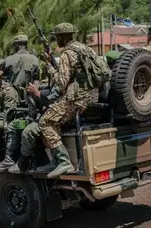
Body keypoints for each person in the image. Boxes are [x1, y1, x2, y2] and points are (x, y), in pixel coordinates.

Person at [38, 23, 101, 178]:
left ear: (62, 37)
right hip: (91, 95)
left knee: (45, 122)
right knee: (54, 117)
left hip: (77, 99)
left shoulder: (67, 53)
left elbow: (61, 82)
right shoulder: (85, 48)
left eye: (57, 37)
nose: (56, 39)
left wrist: (50, 67)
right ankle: (56, 160)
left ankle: (64, 161)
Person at [5, 84, 61, 173]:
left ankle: (23, 161)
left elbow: (51, 104)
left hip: (51, 119)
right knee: (14, 125)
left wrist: (37, 93)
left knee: (28, 131)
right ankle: (9, 157)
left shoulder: (61, 87)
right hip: (37, 118)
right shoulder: (55, 84)